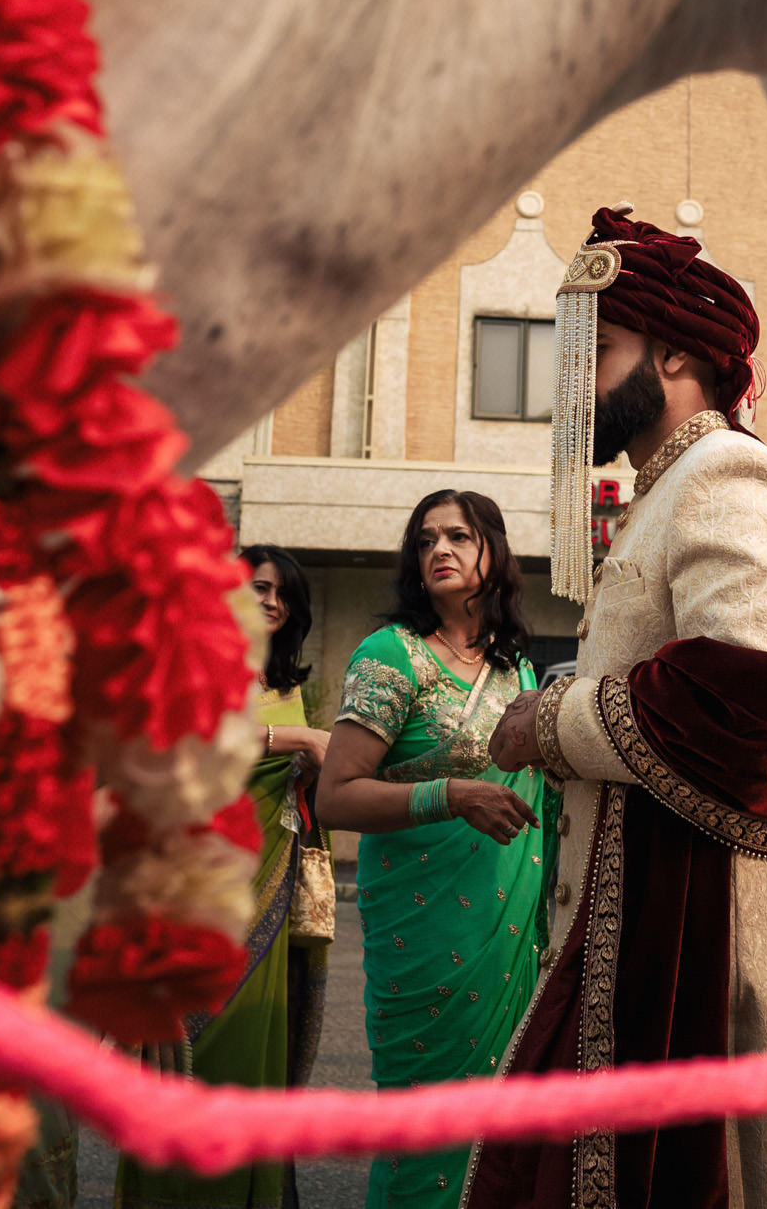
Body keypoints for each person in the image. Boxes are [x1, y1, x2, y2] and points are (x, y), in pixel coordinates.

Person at [470, 209, 767, 1209]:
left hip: (710, 943)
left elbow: (744, 698)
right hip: (649, 919)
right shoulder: (668, 489)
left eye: (595, 354)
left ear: (681, 356)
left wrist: (550, 722)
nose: (573, 388)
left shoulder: (729, 475)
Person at [315, 493, 550, 1209]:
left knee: (502, 1135)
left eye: (459, 535)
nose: (439, 549)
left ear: (495, 553)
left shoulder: (519, 669)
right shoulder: (391, 655)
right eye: (426, 540)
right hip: (424, 935)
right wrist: (450, 794)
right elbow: (335, 796)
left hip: (510, 931)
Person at [119, 544, 334, 1208]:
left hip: (269, 895)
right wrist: (298, 742)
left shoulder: (292, 688)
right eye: (256, 588)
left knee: (251, 1060)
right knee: (187, 1060)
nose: (269, 601)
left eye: (280, 593)